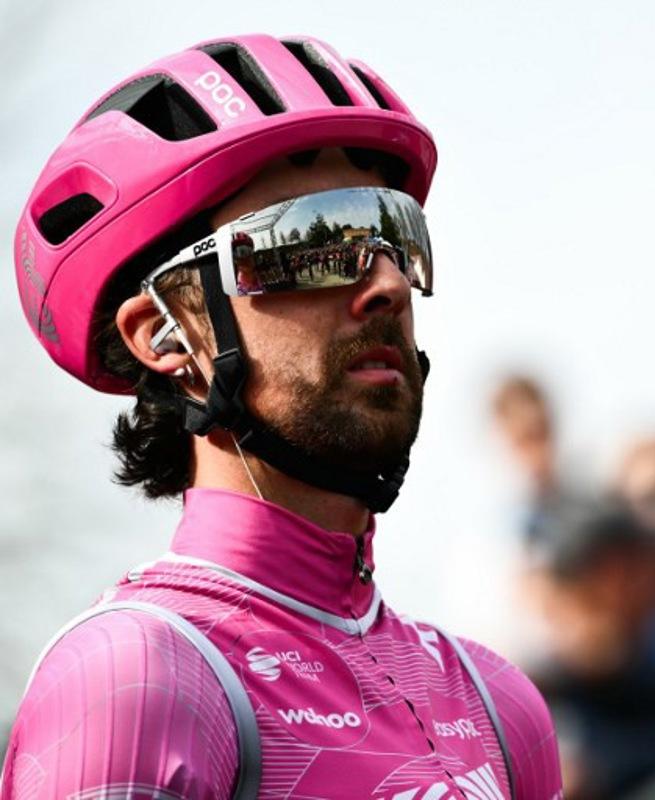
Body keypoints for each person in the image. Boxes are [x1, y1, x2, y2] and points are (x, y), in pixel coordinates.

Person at [4, 34, 561, 800]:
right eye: (312, 242)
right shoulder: (135, 681)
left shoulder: (500, 704)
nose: (387, 285)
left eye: (395, 234)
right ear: (165, 334)